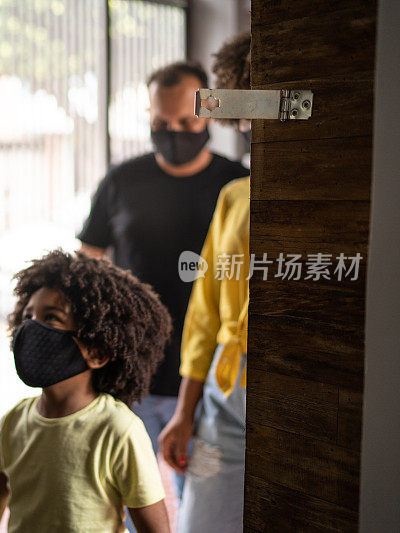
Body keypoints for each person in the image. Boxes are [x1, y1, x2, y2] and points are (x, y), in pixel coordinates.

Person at [78, 61, 249, 503]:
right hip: (129, 377)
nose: (173, 132)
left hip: (211, 382)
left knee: (199, 502)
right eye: (160, 123)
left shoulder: (237, 185)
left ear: (208, 115)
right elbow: (88, 263)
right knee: (124, 500)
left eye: (185, 122)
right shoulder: (121, 180)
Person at [0, 250, 173, 533]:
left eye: (51, 317)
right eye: (27, 317)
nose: (31, 328)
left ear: (97, 351)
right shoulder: (13, 421)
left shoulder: (119, 430)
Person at [158, 32, 252, 533]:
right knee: (201, 522)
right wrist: (184, 411)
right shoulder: (236, 197)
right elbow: (205, 313)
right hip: (224, 391)